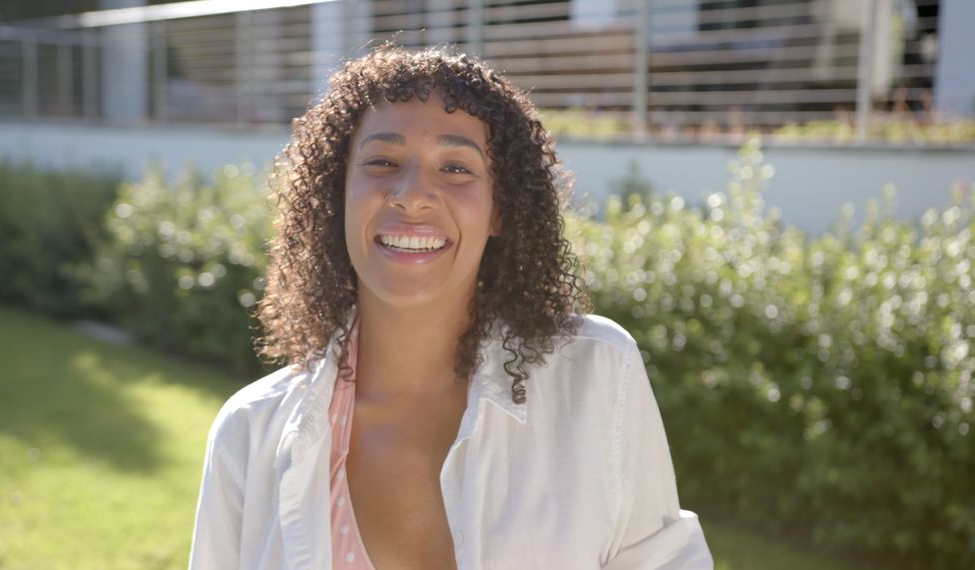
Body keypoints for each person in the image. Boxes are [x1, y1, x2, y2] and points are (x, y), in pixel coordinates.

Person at [189, 45, 713, 569]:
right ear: (337, 195)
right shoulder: (247, 433)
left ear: (498, 210)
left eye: (457, 168)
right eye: (383, 162)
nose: (412, 196)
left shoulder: (595, 373)